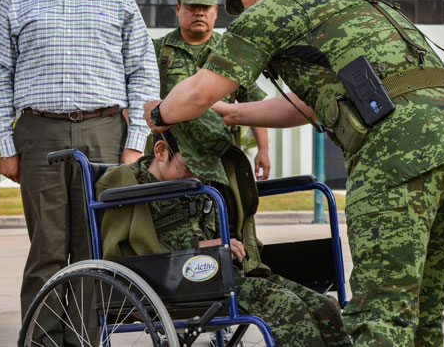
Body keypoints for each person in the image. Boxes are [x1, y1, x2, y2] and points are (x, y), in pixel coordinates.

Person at [142, 0, 444, 346]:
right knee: (423, 315)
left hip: (400, 151)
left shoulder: (278, 5)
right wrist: (235, 113)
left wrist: (159, 112)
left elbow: (198, 91)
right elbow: (309, 104)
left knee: (380, 318)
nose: (245, 9)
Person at [0, 0, 159, 339]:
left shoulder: (118, 0)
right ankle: (41, 340)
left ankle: (85, 339)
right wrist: (5, 146)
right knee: (46, 247)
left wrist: (135, 142)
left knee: (93, 247)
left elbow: (143, 72)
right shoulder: (17, 0)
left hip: (104, 133)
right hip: (39, 134)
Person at [96, 111, 350, 347]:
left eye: (203, 171)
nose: (197, 178)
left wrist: (225, 246)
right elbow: (130, 255)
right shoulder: (127, 189)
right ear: (161, 151)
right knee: (287, 307)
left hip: (224, 276)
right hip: (181, 284)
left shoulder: (198, 185)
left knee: (324, 306)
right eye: (189, 168)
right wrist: (203, 249)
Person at [153, 0, 269, 179]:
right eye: (192, 6)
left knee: (224, 200)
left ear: (215, 11)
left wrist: (263, 150)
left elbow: (252, 102)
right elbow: (138, 100)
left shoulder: (232, 51)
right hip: (170, 157)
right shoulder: (157, 50)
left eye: (206, 7)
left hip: (220, 157)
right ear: (178, 9)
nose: (199, 12)